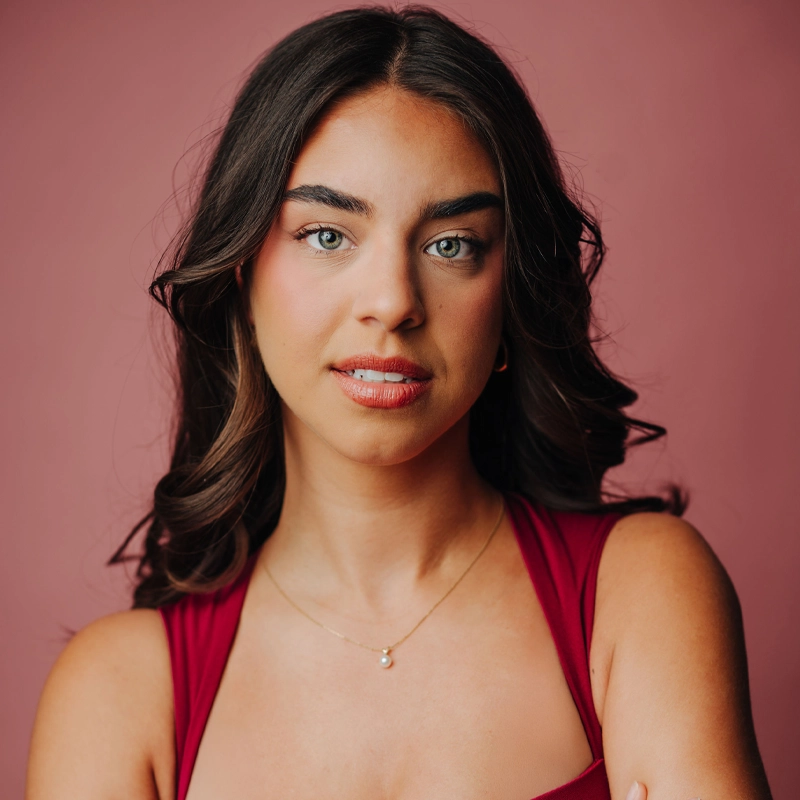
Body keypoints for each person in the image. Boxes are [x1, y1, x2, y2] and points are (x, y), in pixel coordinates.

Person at [26, 5, 772, 800]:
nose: (391, 301)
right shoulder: (117, 694)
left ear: (510, 292)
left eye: (451, 244)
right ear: (242, 275)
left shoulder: (640, 594)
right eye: (327, 234)